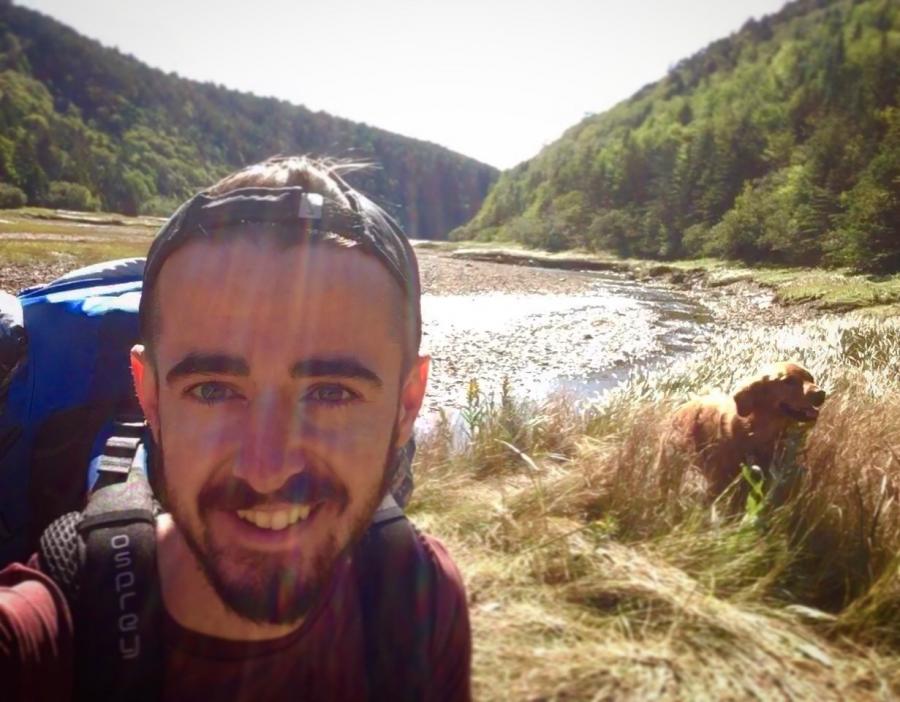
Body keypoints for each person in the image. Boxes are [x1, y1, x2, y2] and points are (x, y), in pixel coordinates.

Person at [0, 156, 472, 701]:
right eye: (213, 390)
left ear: (408, 403)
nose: (267, 467)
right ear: (148, 395)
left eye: (331, 392)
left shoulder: (421, 602)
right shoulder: (53, 633)